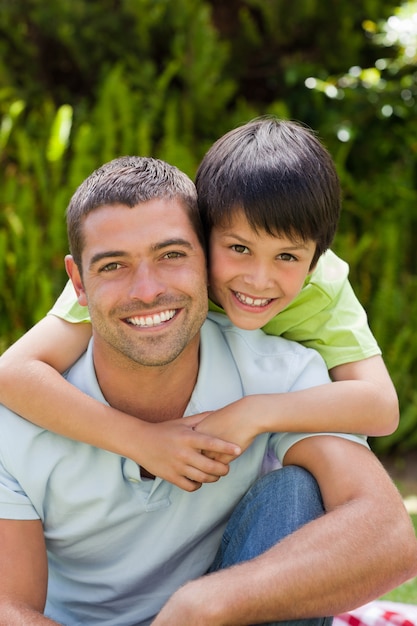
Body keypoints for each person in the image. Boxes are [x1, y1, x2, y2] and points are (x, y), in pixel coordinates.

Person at [0, 155, 415, 626]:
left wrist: (203, 606)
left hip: (221, 614)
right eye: (113, 265)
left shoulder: (278, 375)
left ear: (206, 258)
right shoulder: (19, 411)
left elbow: (388, 538)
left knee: (295, 494)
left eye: (172, 255)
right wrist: (141, 439)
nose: (148, 290)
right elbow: (7, 609)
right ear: (78, 281)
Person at [0, 118, 398, 491]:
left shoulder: (323, 287)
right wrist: (140, 441)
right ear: (200, 237)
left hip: (265, 458)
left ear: (314, 260)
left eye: (287, 257)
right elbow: (13, 373)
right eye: (239, 248)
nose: (258, 279)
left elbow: (381, 405)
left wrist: (255, 413)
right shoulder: (138, 278)